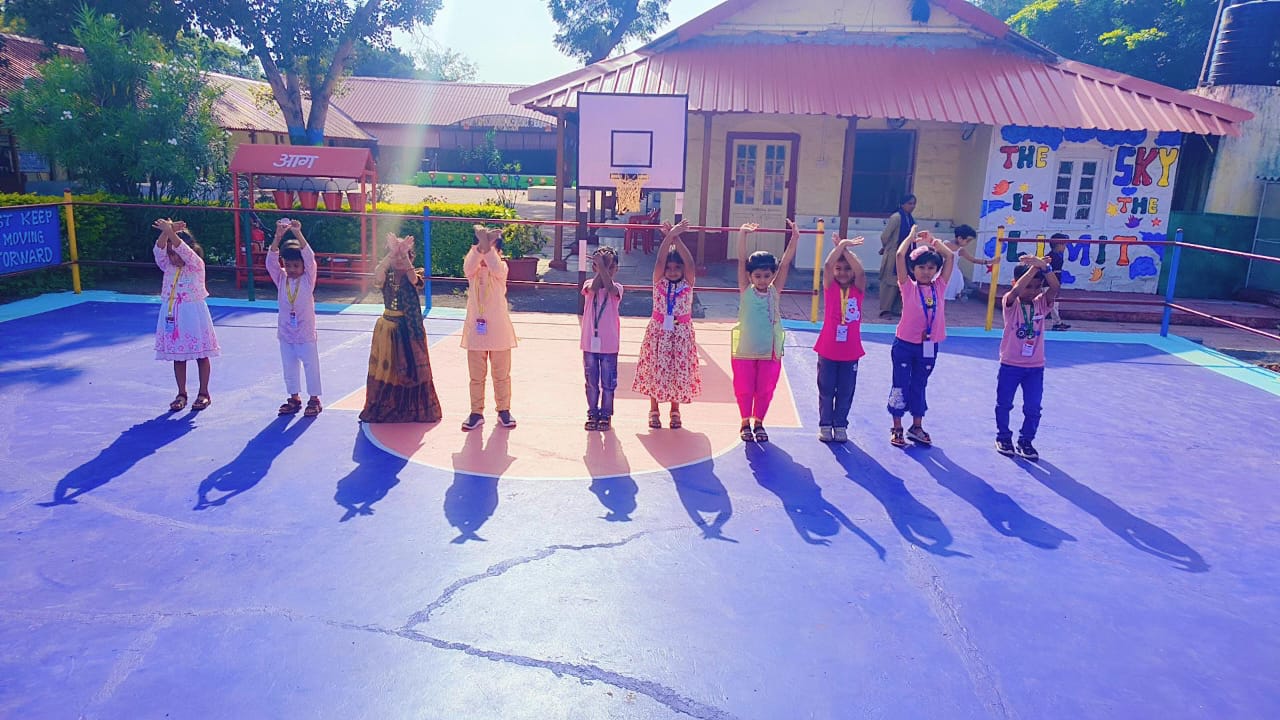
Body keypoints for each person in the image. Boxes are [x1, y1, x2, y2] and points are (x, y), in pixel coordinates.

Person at [359, 234, 442, 424]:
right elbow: (378, 273)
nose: (398, 260)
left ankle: (411, 409)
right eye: (395, 256)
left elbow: (414, 280)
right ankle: (387, 406)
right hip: (387, 329)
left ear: (411, 257)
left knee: (409, 369)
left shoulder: (414, 274)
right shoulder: (386, 275)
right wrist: (392, 252)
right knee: (388, 370)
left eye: (404, 256)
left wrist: (403, 254)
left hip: (408, 330)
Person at [731, 220, 799, 443]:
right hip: (745, 350)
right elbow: (742, 260)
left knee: (766, 388)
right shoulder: (745, 290)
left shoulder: (774, 291)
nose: (762, 280)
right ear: (750, 276)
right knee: (744, 388)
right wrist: (742, 234)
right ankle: (744, 422)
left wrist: (794, 238)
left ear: (772, 276)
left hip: (770, 351)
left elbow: (785, 264)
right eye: (758, 276)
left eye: (767, 276)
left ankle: (759, 422)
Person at [887, 229, 954, 448]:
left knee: (920, 384)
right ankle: (897, 427)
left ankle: (916, 427)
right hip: (905, 345)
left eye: (931, 268)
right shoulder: (908, 287)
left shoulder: (939, 286)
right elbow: (899, 255)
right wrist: (911, 236)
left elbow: (950, 256)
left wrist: (933, 240)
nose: (926, 272)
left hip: (929, 345)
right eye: (921, 267)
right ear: (913, 269)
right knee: (900, 384)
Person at [632, 219, 701, 430]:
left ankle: (675, 410)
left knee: (677, 371)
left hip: (681, 334)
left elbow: (690, 264)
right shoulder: (658, 282)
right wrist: (668, 236)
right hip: (659, 332)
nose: (672, 271)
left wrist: (676, 238)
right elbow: (660, 261)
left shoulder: (687, 284)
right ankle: (654, 410)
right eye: (669, 268)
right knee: (656, 369)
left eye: (676, 267)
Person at [995, 255, 1060, 461]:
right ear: (1015, 282)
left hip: (1035, 368)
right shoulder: (1011, 303)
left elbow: (1055, 288)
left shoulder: (1042, 304)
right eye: (1028, 286)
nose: (1032, 291)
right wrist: (1033, 269)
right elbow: (1016, 291)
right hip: (1010, 365)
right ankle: (1003, 437)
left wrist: (1044, 268)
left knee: (1033, 408)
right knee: (1004, 404)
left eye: (1037, 287)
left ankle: (1026, 441)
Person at [152, 218, 220, 412]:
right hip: (173, 313)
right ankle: (181, 393)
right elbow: (158, 250)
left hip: (193, 314)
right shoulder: (168, 266)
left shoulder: (195, 264)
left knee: (201, 355)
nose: (173, 257)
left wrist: (171, 233)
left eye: (176, 252)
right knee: (178, 357)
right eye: (171, 254)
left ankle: (204, 393)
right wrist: (166, 232)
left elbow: (184, 251)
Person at [461, 225, 518, 432]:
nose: (485, 254)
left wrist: (486, 245)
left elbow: (495, 266)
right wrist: (482, 245)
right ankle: (476, 412)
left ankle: (504, 410)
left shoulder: (501, 268)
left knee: (501, 375)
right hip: (476, 332)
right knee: (476, 376)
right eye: (481, 248)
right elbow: (469, 266)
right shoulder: (473, 272)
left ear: (498, 252)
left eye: (491, 249)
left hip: (498, 331)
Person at [814, 234, 867, 443]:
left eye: (847, 269)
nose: (842, 272)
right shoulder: (831, 288)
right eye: (839, 269)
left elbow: (860, 271)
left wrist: (844, 250)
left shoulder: (858, 289)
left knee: (845, 391)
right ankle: (825, 425)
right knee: (826, 389)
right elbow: (827, 265)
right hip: (828, 349)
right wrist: (842, 245)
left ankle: (840, 425)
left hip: (850, 351)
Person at [266, 218, 322, 417]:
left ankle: (314, 399)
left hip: (305, 332)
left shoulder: (308, 279)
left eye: (296, 265)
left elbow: (310, 258)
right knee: (289, 367)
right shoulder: (281, 278)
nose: (291, 269)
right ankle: (294, 398)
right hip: (286, 332)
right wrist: (278, 237)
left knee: (310, 365)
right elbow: (270, 262)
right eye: (287, 265)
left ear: (303, 266)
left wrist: (298, 233)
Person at [581, 246, 624, 431]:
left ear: (616, 269)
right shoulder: (589, 284)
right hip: (589, 343)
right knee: (591, 382)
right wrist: (602, 267)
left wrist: (603, 267)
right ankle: (592, 412)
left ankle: (606, 414)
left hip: (609, 345)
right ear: (594, 268)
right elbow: (594, 287)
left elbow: (610, 288)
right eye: (600, 266)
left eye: (611, 267)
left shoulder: (618, 288)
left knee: (608, 383)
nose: (607, 270)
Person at [878, 194, 917, 317]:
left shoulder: (910, 219)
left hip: (906, 255)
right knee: (890, 282)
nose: (912, 206)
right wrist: (887, 248)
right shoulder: (896, 217)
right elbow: (885, 236)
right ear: (902, 204)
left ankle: (896, 309)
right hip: (893, 255)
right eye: (909, 203)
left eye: (914, 204)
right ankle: (885, 310)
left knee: (902, 281)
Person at [943, 224, 995, 301]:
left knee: (949, 295)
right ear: (960, 238)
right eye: (968, 241)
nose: (968, 243)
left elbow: (973, 260)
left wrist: (988, 262)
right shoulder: (945, 244)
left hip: (953, 275)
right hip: (943, 271)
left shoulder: (961, 250)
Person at [1047, 233, 1071, 331]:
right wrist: (1055, 285)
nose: (1065, 247)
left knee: (1054, 304)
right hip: (1049, 284)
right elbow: (1050, 272)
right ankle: (1057, 323)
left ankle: (1057, 322)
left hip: (1054, 282)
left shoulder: (1057, 256)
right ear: (1058, 245)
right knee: (1051, 304)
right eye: (1063, 244)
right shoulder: (1051, 257)